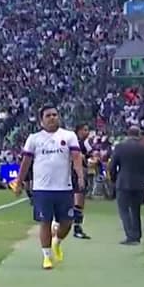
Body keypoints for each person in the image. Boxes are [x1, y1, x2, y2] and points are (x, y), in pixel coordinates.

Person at [14, 105, 80, 270]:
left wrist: (80, 176)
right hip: (42, 188)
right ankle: (47, 256)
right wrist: (19, 181)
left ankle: (57, 240)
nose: (52, 118)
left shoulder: (69, 136)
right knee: (45, 222)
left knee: (67, 222)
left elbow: (76, 157)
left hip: (64, 187)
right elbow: (26, 162)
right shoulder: (34, 139)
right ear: (41, 120)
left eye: (55, 115)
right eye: (48, 115)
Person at [110, 126, 144, 245]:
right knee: (135, 210)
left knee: (124, 210)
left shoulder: (120, 147)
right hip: (140, 183)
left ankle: (130, 236)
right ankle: (137, 235)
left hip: (123, 182)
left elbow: (112, 165)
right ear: (138, 134)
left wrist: (114, 179)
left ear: (128, 134)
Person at [70, 122, 93, 239]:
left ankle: (77, 226)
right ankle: (76, 228)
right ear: (79, 131)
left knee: (80, 200)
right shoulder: (75, 143)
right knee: (78, 200)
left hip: (81, 172)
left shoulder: (84, 144)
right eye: (85, 130)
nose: (87, 132)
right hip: (75, 173)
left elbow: (90, 156)